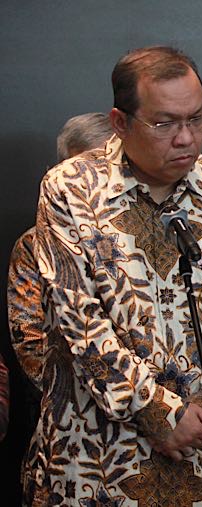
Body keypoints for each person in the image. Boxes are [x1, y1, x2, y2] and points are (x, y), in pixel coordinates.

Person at [25, 46, 202, 506]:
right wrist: (158, 414)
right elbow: (80, 319)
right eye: (164, 124)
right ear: (120, 123)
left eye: (197, 119)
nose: (186, 138)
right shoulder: (70, 188)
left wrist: (200, 416)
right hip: (99, 452)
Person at [8, 112, 114, 396]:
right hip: (72, 402)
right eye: (81, 173)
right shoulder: (32, 246)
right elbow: (29, 340)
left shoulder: (149, 236)